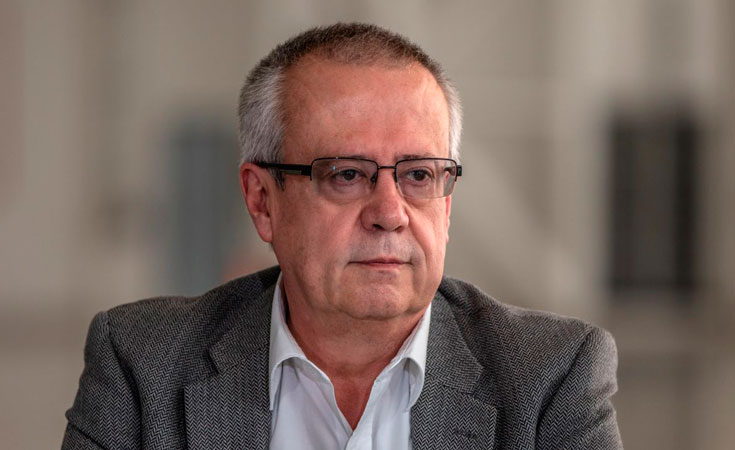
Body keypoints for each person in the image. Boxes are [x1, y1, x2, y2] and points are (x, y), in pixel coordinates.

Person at [62, 23, 622, 450]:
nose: (390, 213)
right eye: (347, 175)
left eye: (419, 175)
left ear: (446, 203)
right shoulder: (142, 366)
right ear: (262, 200)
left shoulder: (551, 377)